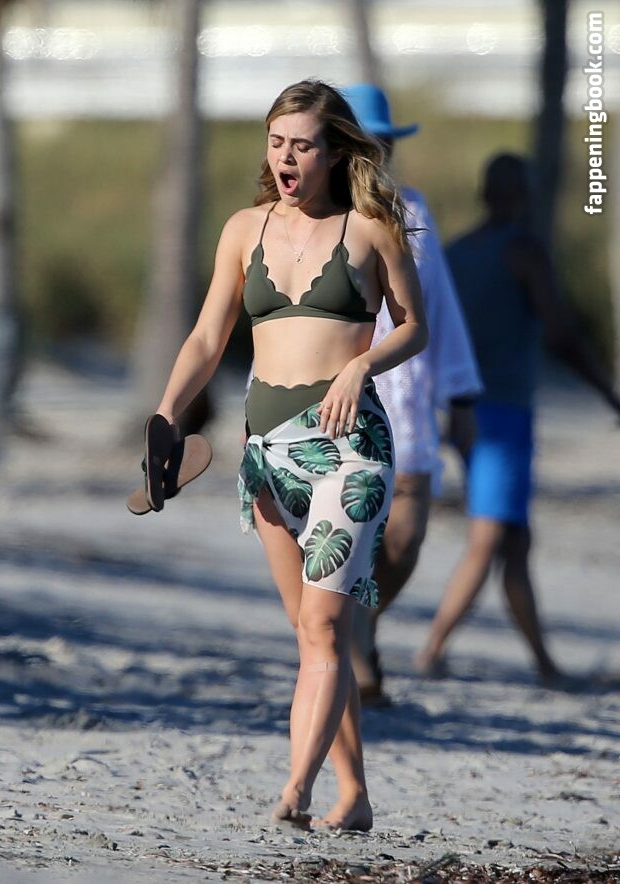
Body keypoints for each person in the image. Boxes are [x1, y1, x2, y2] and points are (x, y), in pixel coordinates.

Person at [148, 79, 428, 831]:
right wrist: (167, 414)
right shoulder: (245, 229)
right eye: (276, 143)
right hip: (266, 456)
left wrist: (361, 364)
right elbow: (208, 337)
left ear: (335, 152)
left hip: (350, 450)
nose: (286, 158)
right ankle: (354, 795)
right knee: (309, 632)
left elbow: (414, 327)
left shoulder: (371, 229)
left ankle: (296, 789)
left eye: (303, 145)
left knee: (326, 628)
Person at [416, 153, 620, 684]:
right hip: (505, 416)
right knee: (489, 538)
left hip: (463, 410)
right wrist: (607, 392)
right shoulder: (524, 250)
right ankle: (432, 651)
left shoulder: (457, 253)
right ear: (524, 195)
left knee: (516, 540)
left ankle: (545, 666)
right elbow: (562, 334)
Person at [342, 84, 483, 703]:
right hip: (338, 402)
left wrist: (462, 396)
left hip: (410, 403)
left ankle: (361, 627)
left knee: (403, 540)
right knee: (345, 537)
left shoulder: (414, 208)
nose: (379, 153)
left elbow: (440, 308)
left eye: (385, 142)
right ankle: (347, 656)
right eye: (367, 141)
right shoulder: (315, 213)